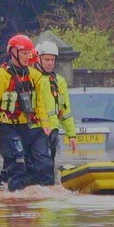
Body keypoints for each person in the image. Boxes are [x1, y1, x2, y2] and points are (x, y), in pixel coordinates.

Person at [0, 34, 55, 191]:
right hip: (8, 126)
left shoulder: (34, 75)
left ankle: (44, 196)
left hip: (30, 125)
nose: (27, 56)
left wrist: (45, 123)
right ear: (13, 52)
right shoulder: (0, 76)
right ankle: (13, 197)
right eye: (24, 53)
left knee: (44, 163)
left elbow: (39, 103)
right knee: (18, 161)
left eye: (29, 53)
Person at [35, 41, 77, 175]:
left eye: (52, 60)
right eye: (47, 59)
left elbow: (65, 110)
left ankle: (48, 189)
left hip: (53, 130)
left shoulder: (60, 81)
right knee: (40, 164)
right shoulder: (33, 78)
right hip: (36, 129)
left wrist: (71, 134)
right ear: (38, 58)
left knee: (49, 163)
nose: (50, 63)